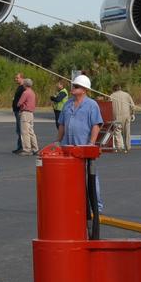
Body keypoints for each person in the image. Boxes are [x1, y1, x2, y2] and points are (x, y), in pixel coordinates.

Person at [55, 74, 103, 209]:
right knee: (69, 177)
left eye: (76, 86)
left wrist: (91, 143)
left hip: (83, 146)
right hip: (67, 146)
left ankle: (96, 207)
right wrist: (58, 141)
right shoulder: (68, 104)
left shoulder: (92, 105)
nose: (73, 88)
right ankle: (74, 204)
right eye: (73, 86)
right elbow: (62, 124)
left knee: (91, 177)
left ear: (84, 89)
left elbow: (96, 125)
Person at [108, 86, 137, 152]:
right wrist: (132, 114)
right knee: (127, 132)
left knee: (117, 132)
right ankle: (127, 147)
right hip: (126, 115)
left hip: (116, 116)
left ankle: (119, 147)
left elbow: (109, 107)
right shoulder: (127, 95)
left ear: (113, 89)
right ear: (120, 88)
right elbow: (133, 106)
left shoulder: (111, 96)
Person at [17, 78, 39, 155]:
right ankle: (35, 148)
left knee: (25, 132)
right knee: (31, 132)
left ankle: (27, 149)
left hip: (25, 113)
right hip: (31, 113)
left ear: (25, 84)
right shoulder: (32, 92)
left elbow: (19, 103)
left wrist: (19, 104)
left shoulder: (25, 93)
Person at [10, 72, 26, 153]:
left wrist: (20, 108)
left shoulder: (23, 88)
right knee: (18, 129)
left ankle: (22, 147)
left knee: (20, 129)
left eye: (17, 78)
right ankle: (19, 146)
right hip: (16, 110)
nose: (15, 79)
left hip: (19, 111)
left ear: (22, 78)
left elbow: (24, 99)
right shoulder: (20, 87)